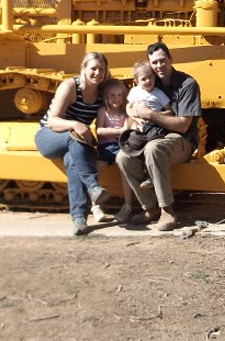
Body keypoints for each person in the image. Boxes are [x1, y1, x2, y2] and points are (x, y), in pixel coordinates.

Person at [116, 42, 202, 231]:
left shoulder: (187, 85)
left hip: (181, 141)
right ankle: (150, 207)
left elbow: (183, 124)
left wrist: (150, 115)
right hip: (150, 136)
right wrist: (132, 113)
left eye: (163, 61)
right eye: (155, 62)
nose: (159, 66)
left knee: (153, 149)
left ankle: (167, 211)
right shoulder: (148, 81)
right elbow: (131, 105)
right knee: (123, 156)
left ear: (171, 59)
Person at [35, 52, 112, 235]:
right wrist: (75, 124)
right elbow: (53, 120)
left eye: (101, 69)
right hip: (49, 136)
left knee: (72, 161)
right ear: (84, 68)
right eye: (93, 68)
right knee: (74, 137)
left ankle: (79, 219)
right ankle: (93, 187)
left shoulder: (102, 92)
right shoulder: (70, 86)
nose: (97, 73)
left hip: (74, 143)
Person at [119, 60, 173, 190]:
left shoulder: (159, 93)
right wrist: (133, 117)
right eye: (144, 79)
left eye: (150, 77)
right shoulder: (134, 92)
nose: (148, 81)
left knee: (152, 146)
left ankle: (150, 175)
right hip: (140, 126)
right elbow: (129, 107)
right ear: (136, 81)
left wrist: (153, 115)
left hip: (155, 125)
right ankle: (140, 172)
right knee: (131, 143)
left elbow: (170, 111)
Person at [94, 78, 137, 222]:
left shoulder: (124, 113)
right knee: (95, 173)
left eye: (119, 95)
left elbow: (126, 128)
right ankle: (95, 206)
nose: (116, 99)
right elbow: (99, 130)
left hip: (120, 147)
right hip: (105, 147)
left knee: (125, 172)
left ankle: (128, 206)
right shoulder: (103, 111)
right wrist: (115, 130)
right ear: (106, 96)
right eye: (112, 95)